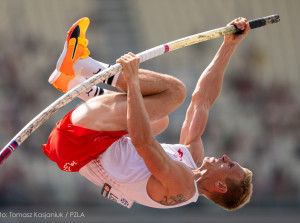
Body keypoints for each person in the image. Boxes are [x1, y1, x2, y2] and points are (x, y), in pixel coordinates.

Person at [43, 17, 253, 210]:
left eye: (230, 165)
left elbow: (142, 141)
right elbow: (202, 101)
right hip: (89, 143)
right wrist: (229, 45)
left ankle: (80, 65)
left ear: (220, 186)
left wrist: (133, 81)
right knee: (160, 121)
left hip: (76, 143)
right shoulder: (191, 159)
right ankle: (74, 84)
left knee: (175, 91)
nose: (226, 157)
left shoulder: (181, 186)